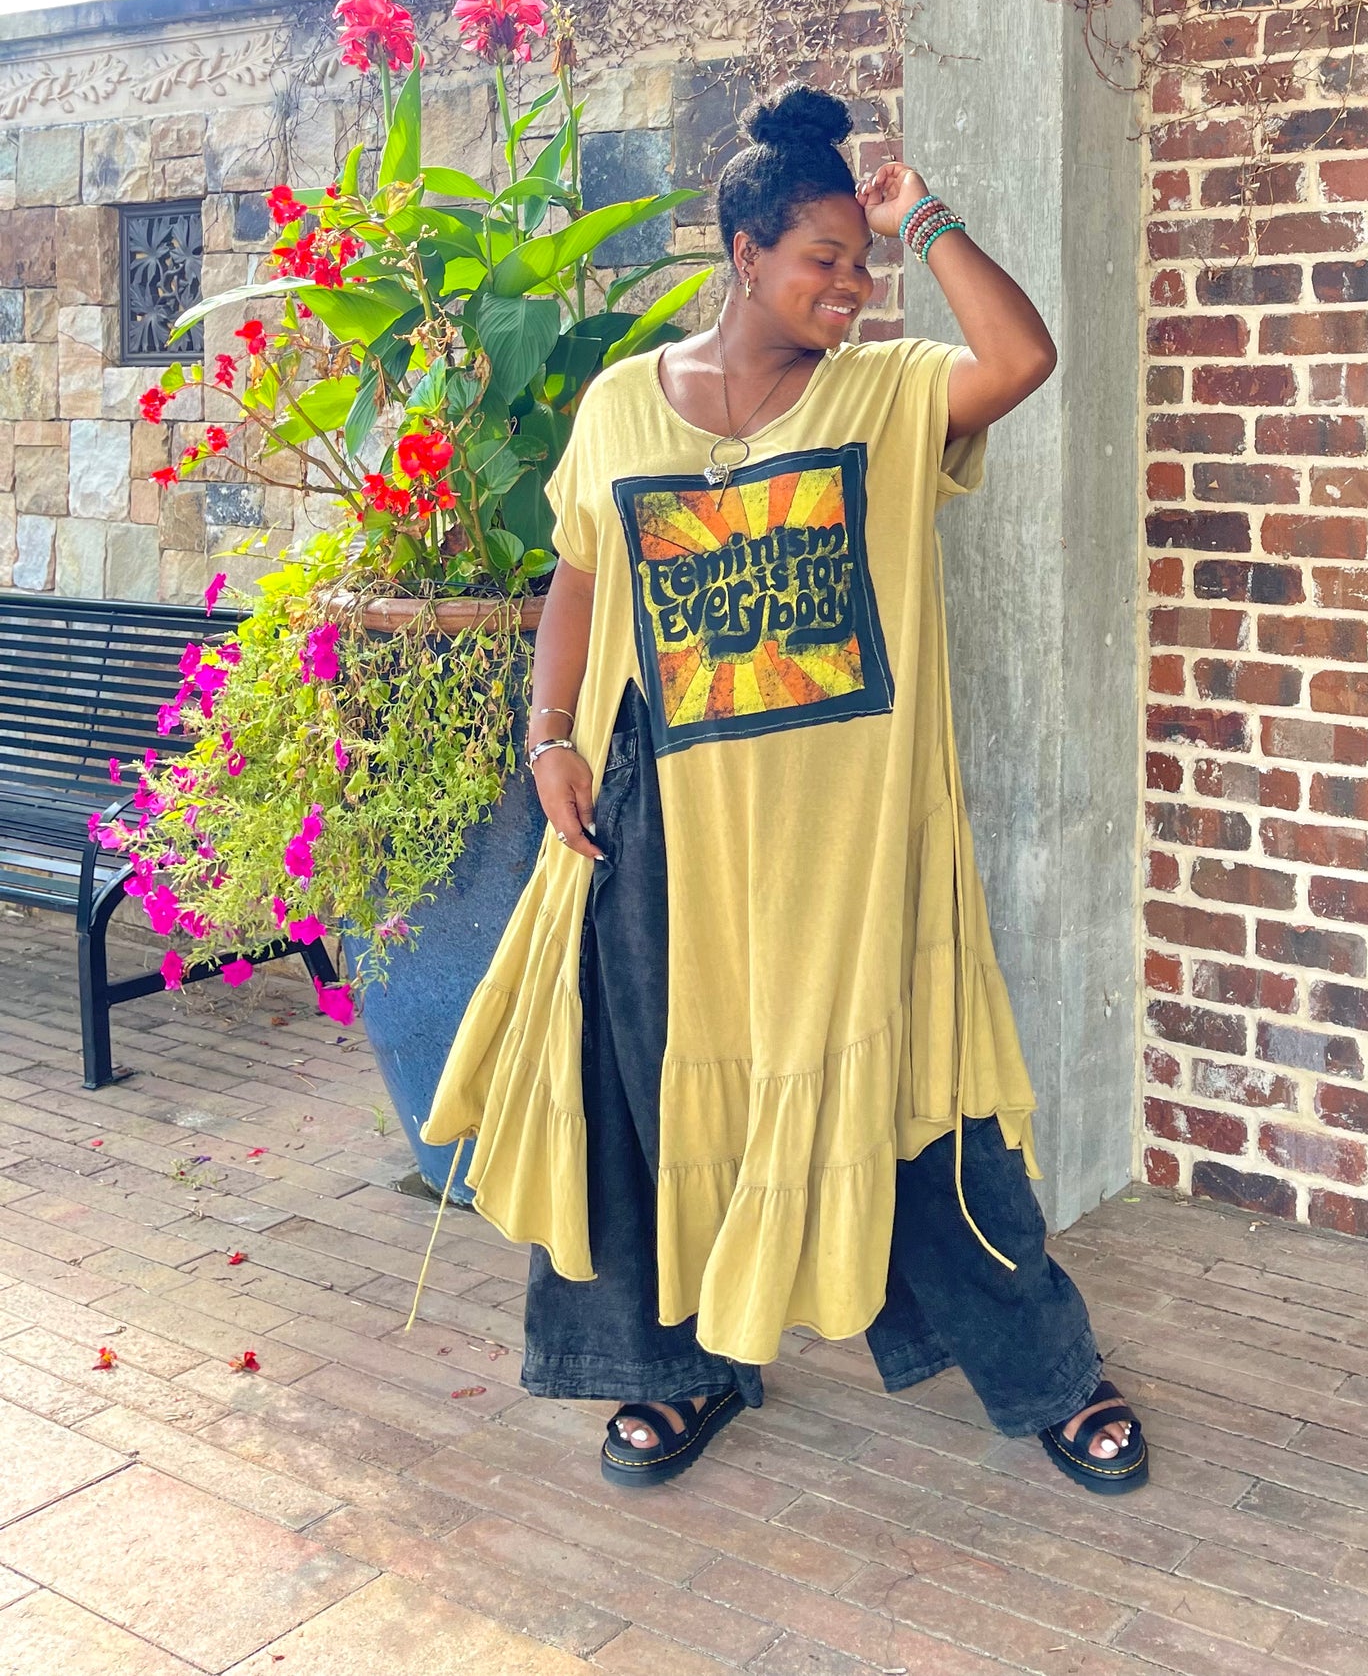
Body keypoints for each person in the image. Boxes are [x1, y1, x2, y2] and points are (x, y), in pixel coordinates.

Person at [423, 85, 1147, 1495]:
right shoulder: (622, 404)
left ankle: (1049, 1379)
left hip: (845, 842)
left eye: (860, 264)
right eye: (825, 259)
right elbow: (581, 573)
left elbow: (1021, 356)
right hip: (661, 832)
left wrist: (917, 217)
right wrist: (548, 733)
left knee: (918, 1112)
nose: (851, 287)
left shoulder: (883, 396)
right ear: (744, 252)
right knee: (645, 1108)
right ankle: (679, 1373)